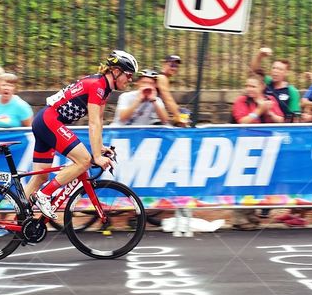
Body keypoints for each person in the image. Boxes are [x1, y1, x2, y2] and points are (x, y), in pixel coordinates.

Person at [22, 50, 137, 219]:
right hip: (49, 121)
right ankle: (44, 195)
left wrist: (100, 147)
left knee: (41, 176)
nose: (130, 79)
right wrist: (96, 156)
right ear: (116, 71)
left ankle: (20, 217)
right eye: (128, 74)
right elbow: (93, 122)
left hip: (45, 121)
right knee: (84, 160)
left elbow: (99, 120)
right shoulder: (98, 85)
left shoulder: (104, 88)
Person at [250, 48, 301, 121]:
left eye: (280, 69)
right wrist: (259, 55)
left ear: (287, 73)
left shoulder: (291, 91)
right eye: (274, 68)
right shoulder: (266, 82)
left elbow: (295, 116)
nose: (275, 71)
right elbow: (254, 72)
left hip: (281, 126)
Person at [156, 54, 188, 126]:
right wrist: (179, 117)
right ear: (164, 64)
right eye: (172, 65)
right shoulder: (162, 78)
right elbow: (168, 99)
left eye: (176, 66)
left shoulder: (163, 78)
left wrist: (179, 110)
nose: (174, 68)